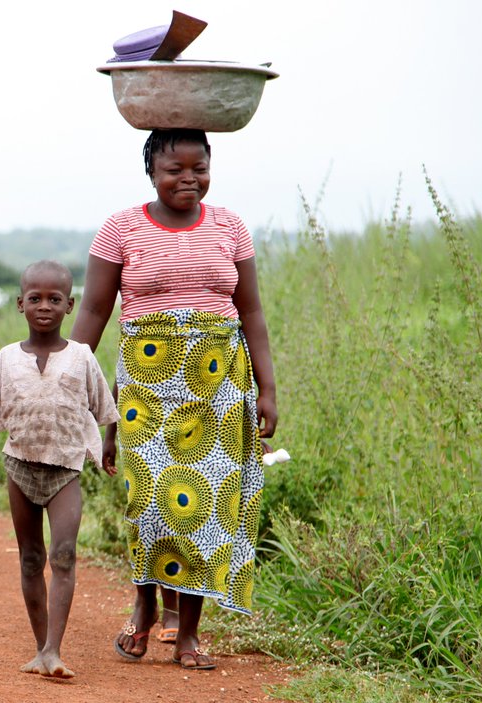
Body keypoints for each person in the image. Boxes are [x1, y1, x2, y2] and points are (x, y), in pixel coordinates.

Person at [69, 128, 278, 671]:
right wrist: (68, 376)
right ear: (151, 172)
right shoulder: (121, 228)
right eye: (174, 169)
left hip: (219, 386)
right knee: (151, 503)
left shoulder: (230, 227)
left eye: (199, 168)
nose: (189, 178)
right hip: (147, 387)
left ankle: (188, 634)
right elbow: (94, 310)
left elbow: (252, 312)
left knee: (207, 509)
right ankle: (144, 603)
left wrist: (268, 388)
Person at [0, 260, 120, 679]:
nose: (44, 306)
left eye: (54, 299)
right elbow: (2, 415)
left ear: (69, 305)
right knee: (30, 559)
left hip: (65, 470)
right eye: (35, 298)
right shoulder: (5, 360)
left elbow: (103, 407)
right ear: (20, 304)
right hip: (20, 467)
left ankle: (53, 651)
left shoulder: (81, 358)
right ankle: (39, 648)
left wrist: (108, 444)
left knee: (63, 555)